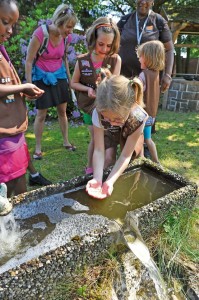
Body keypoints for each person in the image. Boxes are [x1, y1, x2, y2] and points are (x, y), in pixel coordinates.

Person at [0, 0, 45, 197]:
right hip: (4, 137)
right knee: (9, 191)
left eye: (12, 25)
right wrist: (23, 86)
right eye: (5, 22)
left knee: (21, 190)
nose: (10, 30)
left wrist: (22, 92)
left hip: (13, 133)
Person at [25, 4, 78, 160]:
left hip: (59, 74)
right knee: (41, 114)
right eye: (68, 26)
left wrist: (69, 79)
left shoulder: (66, 37)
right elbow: (29, 61)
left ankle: (66, 141)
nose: (71, 31)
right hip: (42, 76)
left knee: (63, 111)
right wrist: (29, 86)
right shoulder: (40, 34)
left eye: (72, 27)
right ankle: (38, 147)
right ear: (59, 22)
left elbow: (64, 58)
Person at [71, 17, 121, 175]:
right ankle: (90, 168)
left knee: (105, 138)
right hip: (88, 106)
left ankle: (105, 166)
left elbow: (114, 85)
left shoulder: (115, 60)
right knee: (95, 137)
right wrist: (87, 90)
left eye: (109, 45)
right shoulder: (83, 61)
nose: (105, 49)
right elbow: (73, 83)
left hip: (106, 108)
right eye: (101, 44)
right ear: (93, 39)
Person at [86, 74, 148, 200]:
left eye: (117, 119)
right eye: (107, 117)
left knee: (133, 161)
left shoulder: (139, 118)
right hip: (110, 130)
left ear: (130, 107)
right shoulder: (98, 113)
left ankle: (129, 189)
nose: (112, 122)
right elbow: (98, 149)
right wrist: (97, 178)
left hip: (130, 128)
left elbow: (125, 155)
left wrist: (110, 181)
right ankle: (102, 181)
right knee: (108, 157)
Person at [117, 0, 174, 93]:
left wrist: (167, 75)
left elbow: (169, 49)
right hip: (124, 80)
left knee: (147, 107)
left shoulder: (159, 21)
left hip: (148, 81)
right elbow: (111, 46)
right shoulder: (124, 20)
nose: (143, 2)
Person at [137, 40, 165, 164]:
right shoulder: (156, 74)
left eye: (140, 56)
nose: (139, 59)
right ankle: (156, 162)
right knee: (147, 139)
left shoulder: (144, 75)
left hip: (142, 114)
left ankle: (142, 160)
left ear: (148, 58)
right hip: (151, 115)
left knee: (142, 139)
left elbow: (137, 92)